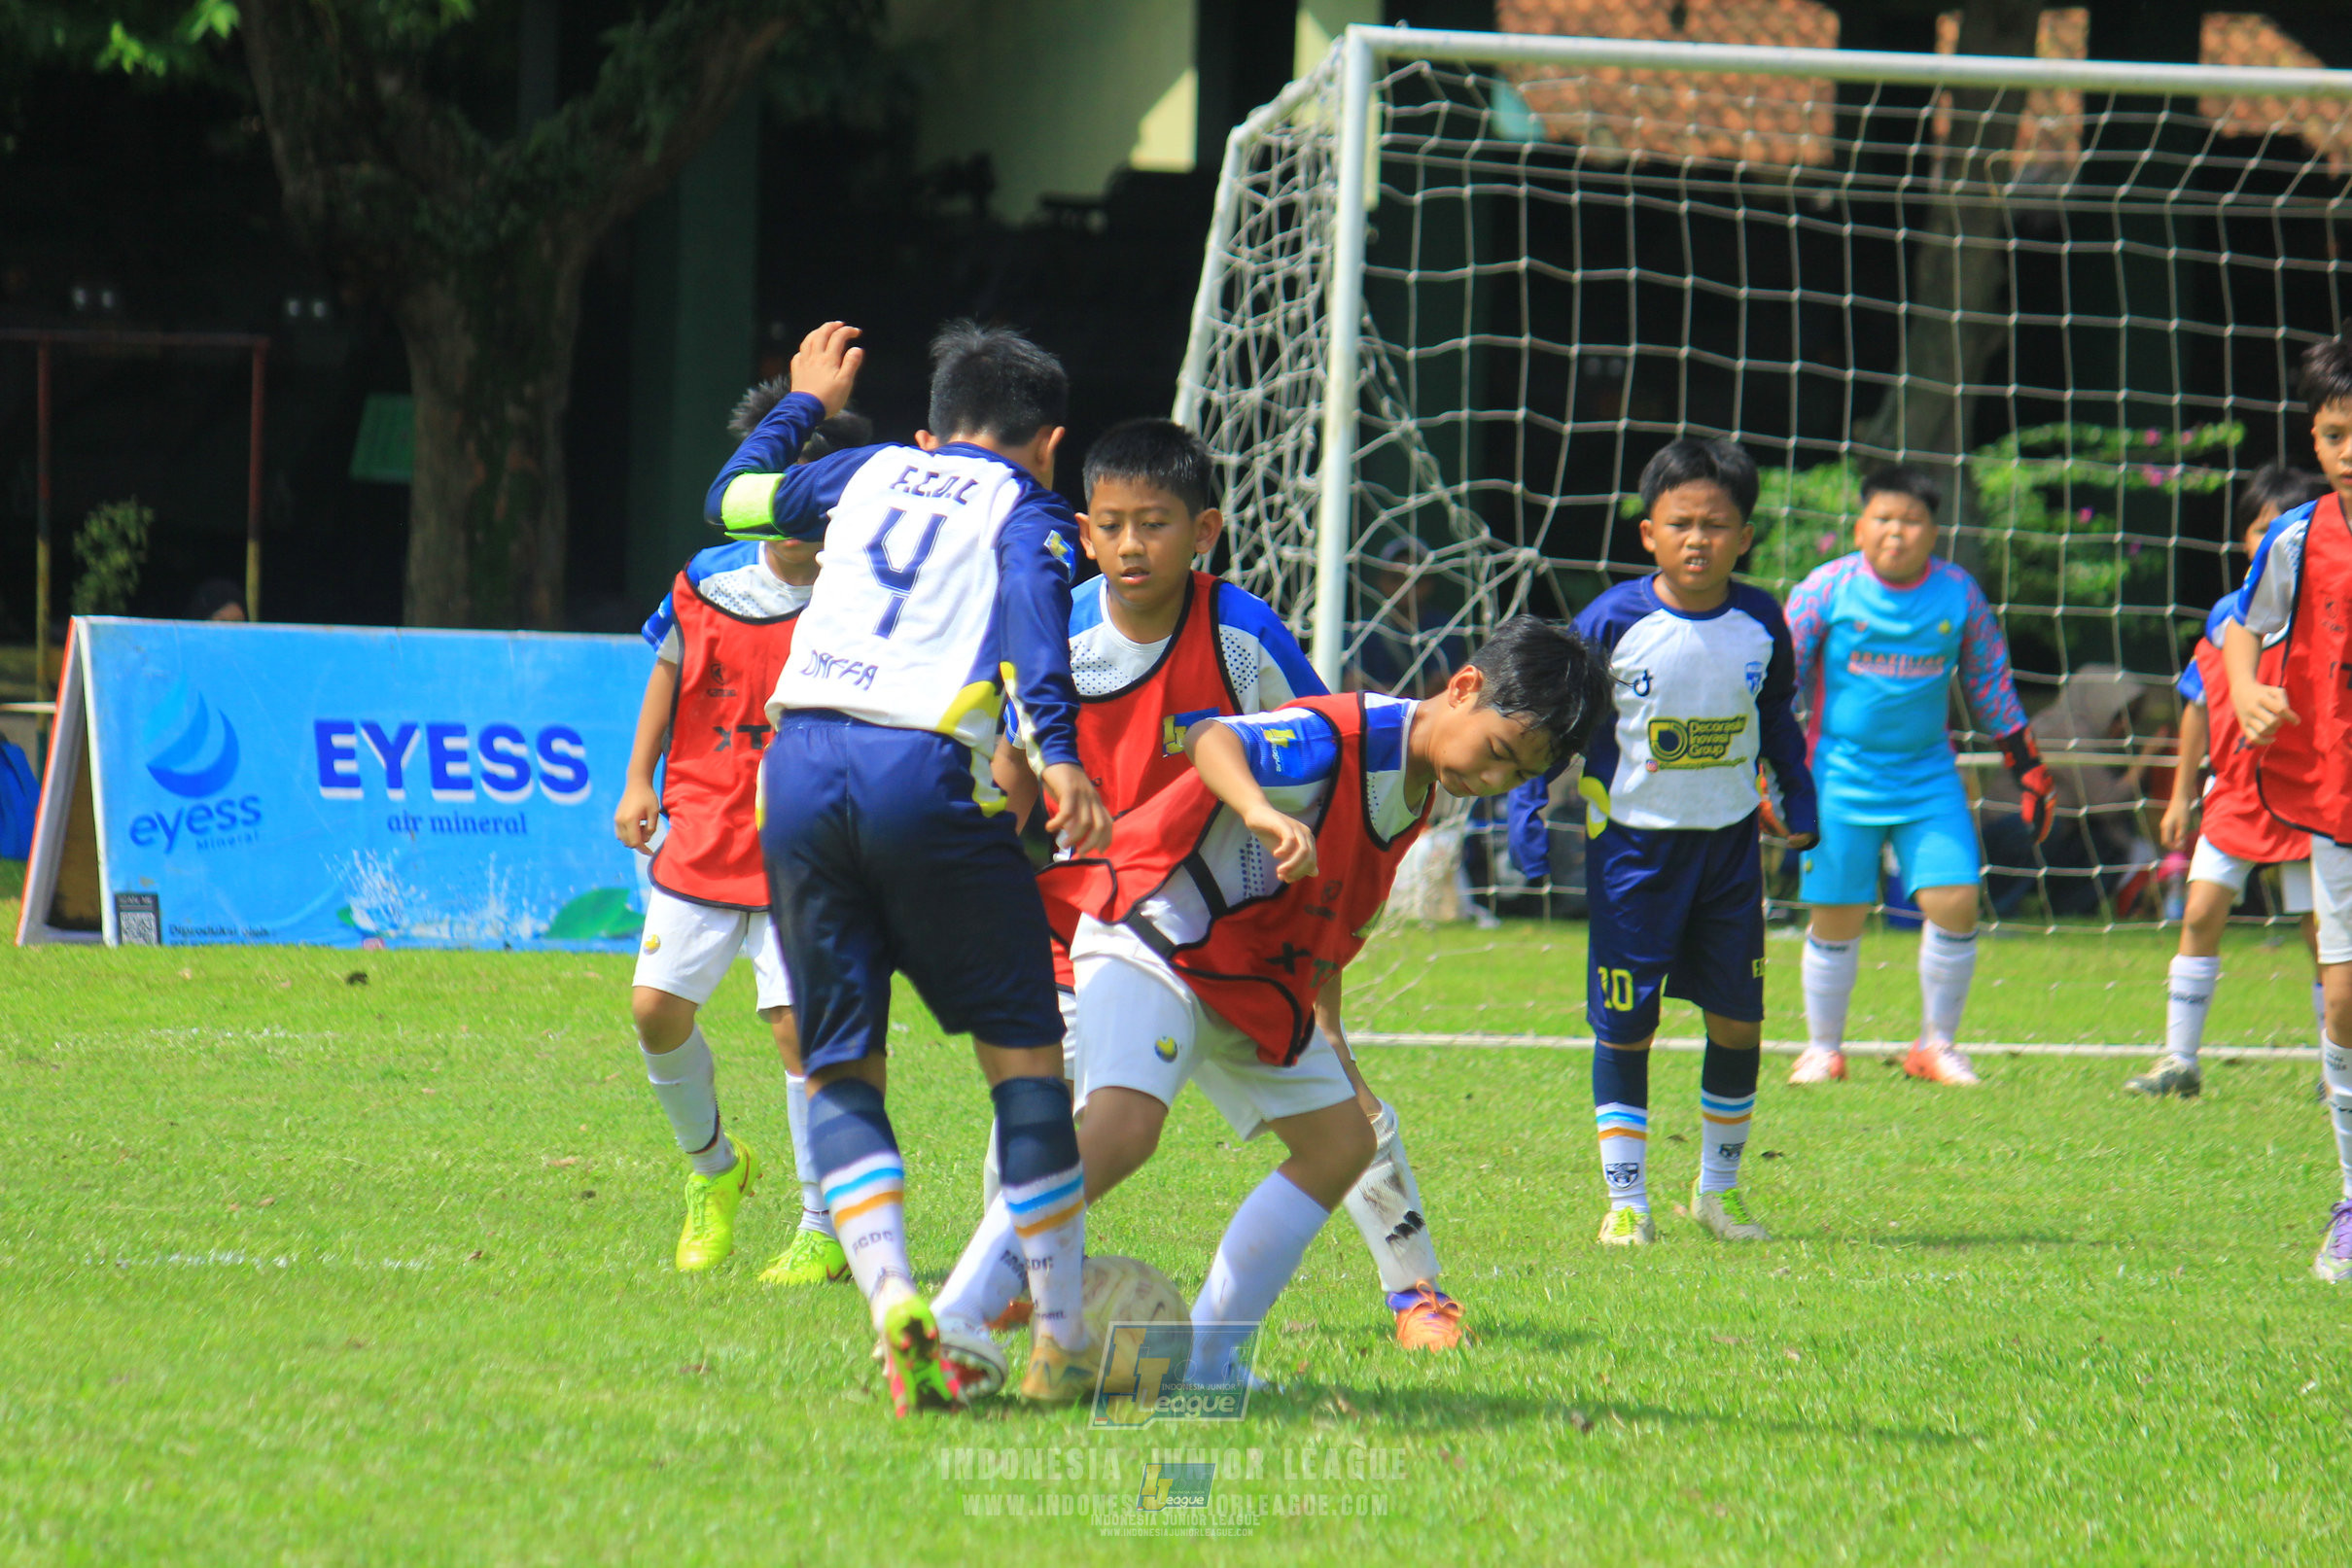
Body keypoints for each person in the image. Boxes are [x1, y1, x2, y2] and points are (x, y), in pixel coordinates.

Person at [932, 616, 1607, 1393]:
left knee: (1340, 1143)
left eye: (1517, 776)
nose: (1493, 779)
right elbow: (1217, 738)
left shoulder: (1420, 782)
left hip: (1249, 983)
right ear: (1462, 688)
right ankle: (954, 1314)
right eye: (1495, 752)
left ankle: (1209, 1365)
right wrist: (1257, 809)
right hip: (1156, 936)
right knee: (1123, 1129)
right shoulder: (1346, 735)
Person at [980, 417, 1469, 1354]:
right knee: (1040, 1113)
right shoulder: (1054, 637)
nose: (1132, 544)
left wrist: (1317, 951)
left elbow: (1328, 756)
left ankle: (1415, 1291)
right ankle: (1015, 1311)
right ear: (1084, 532)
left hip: (1237, 918)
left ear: (1203, 531)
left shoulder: (1242, 635)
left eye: (1154, 523)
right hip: (1085, 918)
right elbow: (1012, 768)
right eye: (1113, 524)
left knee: (1336, 1085)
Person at [718, 320, 1113, 1411]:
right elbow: (1039, 624)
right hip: (917, 767)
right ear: (1048, 442)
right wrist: (1062, 755)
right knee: (1026, 1065)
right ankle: (1063, 1335)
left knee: (844, 1066)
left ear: (941, 422)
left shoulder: (869, 467)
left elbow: (736, 503)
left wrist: (799, 402)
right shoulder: (1026, 507)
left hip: (793, 766)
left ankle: (892, 1291)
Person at [1513, 436, 1816, 1247]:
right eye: (1679, 523)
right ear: (1647, 532)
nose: (1697, 539)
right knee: (1626, 1027)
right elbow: (1554, 717)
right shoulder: (1611, 619)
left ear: (1743, 536)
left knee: (1737, 1022)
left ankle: (1717, 1191)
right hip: (1632, 858)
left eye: (1715, 525)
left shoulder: (1760, 618)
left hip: (1726, 853)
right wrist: (1523, 807)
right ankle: (1626, 1200)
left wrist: (1799, 791)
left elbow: (1777, 716)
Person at [612, 380, 871, 1281]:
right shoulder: (708, 577)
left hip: (806, 846)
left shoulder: (861, 596)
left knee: (798, 1029)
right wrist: (638, 778)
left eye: (819, 487)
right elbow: (666, 667)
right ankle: (715, 1173)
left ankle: (819, 1226)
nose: (799, 509)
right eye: (783, 485)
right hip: (703, 831)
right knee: (654, 1012)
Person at [1779, 466, 2052, 1089]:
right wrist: (1777, 766)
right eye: (1883, 519)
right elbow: (1781, 681)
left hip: (1928, 777)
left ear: (1934, 531)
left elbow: (1990, 685)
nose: (1895, 533)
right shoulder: (1825, 590)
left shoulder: (1960, 595)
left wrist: (2029, 769)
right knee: (1837, 913)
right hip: (1838, 774)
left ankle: (1937, 1045)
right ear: (1860, 526)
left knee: (1954, 902)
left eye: (1910, 521)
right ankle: (1823, 1050)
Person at [2125, 462, 2330, 1098]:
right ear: (2244, 539)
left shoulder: (2323, 609)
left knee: (2321, 933)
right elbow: (2196, 702)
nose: (2266, 539)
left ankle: (2336, 1068)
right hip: (2234, 795)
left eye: (2279, 529)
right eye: (2256, 529)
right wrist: (2183, 791)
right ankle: (2177, 1060)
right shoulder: (2225, 616)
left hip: (2302, 797)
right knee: (2200, 912)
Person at [2221, 331, 2352, 1283]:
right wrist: (2248, 690)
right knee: (2343, 999)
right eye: (2339, 433)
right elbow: (2241, 627)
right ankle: (2351, 1203)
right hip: (2335, 794)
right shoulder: (2298, 537)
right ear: (2315, 440)